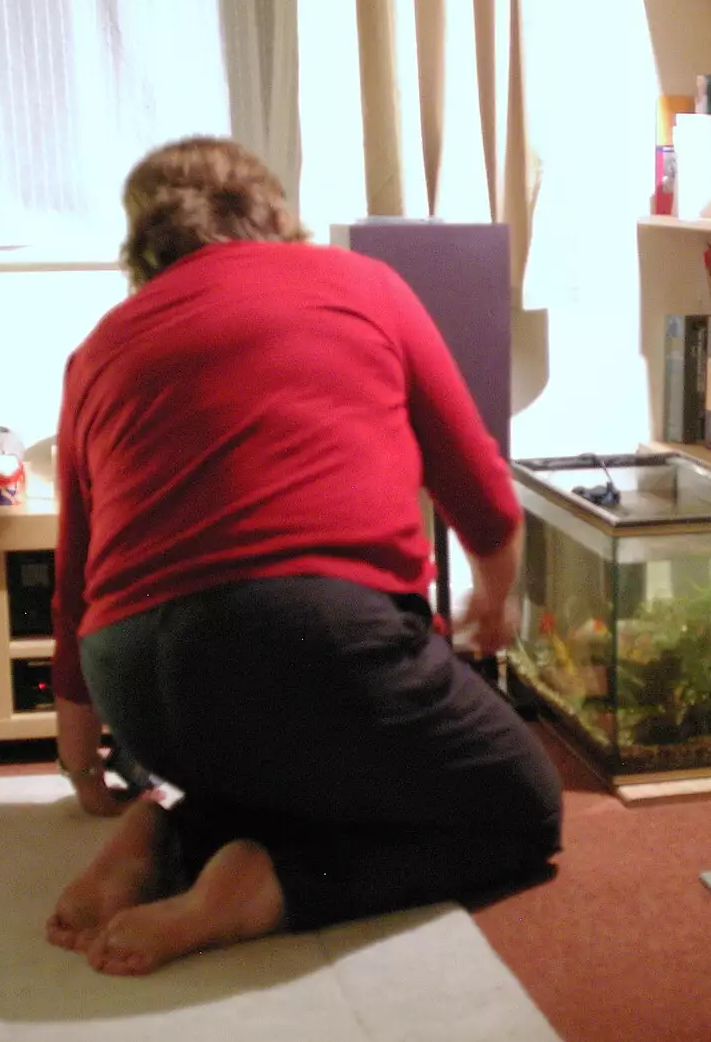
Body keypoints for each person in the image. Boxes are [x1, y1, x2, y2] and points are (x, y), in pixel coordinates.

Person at [44, 137, 562, 977]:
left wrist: (81, 760)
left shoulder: (97, 349)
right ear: (273, 215)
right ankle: (268, 889)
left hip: (135, 680)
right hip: (313, 636)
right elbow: (476, 483)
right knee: (517, 809)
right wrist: (498, 598)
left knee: (282, 755)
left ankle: (170, 824)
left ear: (145, 246)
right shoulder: (362, 284)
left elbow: (71, 583)